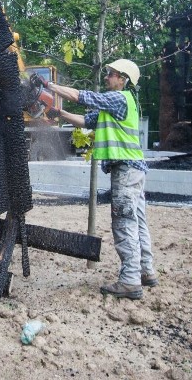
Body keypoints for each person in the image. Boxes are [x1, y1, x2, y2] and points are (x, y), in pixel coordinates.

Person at [34, 59, 157, 300]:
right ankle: (146, 271)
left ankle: (131, 281)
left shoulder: (119, 98)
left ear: (123, 79)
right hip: (135, 169)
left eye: (111, 74)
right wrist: (59, 113)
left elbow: (84, 97)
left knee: (124, 222)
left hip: (126, 168)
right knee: (138, 220)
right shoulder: (119, 106)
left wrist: (49, 86)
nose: (107, 76)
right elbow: (86, 121)